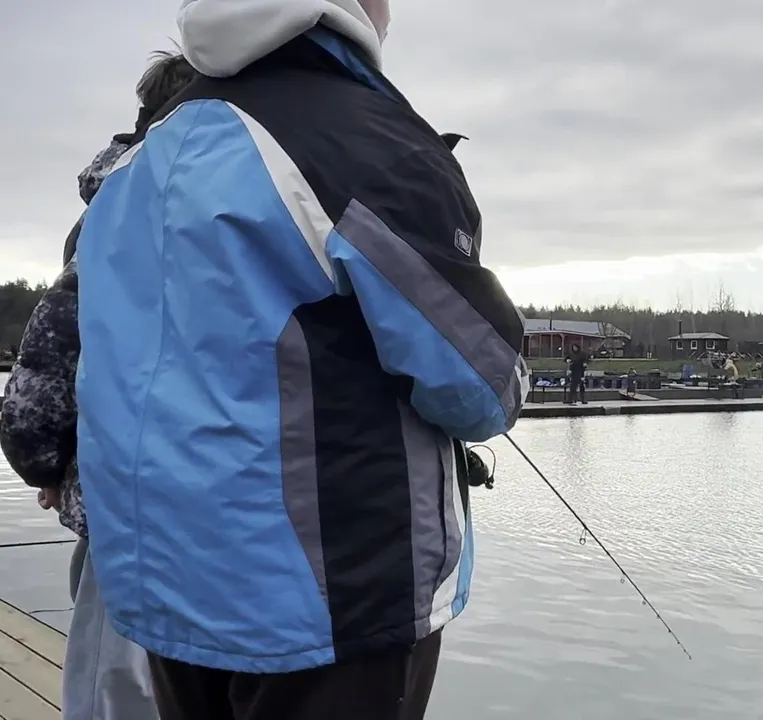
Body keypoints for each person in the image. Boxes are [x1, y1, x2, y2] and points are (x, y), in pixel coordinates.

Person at [73, 1, 530, 718]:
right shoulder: (368, 143)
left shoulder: (138, 160)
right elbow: (480, 386)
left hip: (167, 593)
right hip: (332, 608)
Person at [0, 49, 198, 720]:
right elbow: (56, 345)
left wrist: (45, 461)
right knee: (122, 681)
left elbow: (48, 355)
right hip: (139, 501)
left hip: (129, 497)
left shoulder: (115, 201)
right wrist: (44, 461)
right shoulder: (135, 207)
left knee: (119, 676)